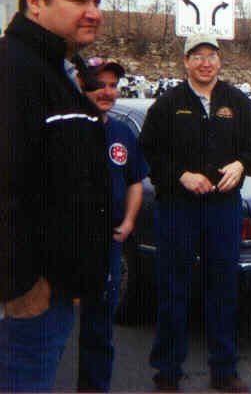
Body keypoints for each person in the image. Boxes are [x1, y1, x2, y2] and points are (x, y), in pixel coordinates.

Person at [0, 0, 113, 392]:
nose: (93, 13)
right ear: (35, 0)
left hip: (57, 290)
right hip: (30, 297)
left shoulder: (58, 72)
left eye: (98, 2)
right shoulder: (14, 69)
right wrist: (20, 285)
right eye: (79, 0)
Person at [139, 35, 251, 392]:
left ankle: (224, 370)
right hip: (177, 209)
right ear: (186, 62)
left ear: (219, 61)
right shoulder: (169, 103)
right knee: (173, 288)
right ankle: (167, 371)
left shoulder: (236, 101)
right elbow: (148, 151)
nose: (205, 63)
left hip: (223, 209)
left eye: (211, 56)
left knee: (223, 288)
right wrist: (181, 175)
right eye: (197, 57)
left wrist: (241, 165)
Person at [78, 57, 148, 392]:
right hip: (71, 242)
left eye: (112, 86)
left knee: (99, 328)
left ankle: (94, 387)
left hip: (109, 244)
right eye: (99, 84)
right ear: (81, 84)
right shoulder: (68, 127)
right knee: (55, 329)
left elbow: (135, 180)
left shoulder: (121, 131)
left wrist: (130, 221)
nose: (107, 92)